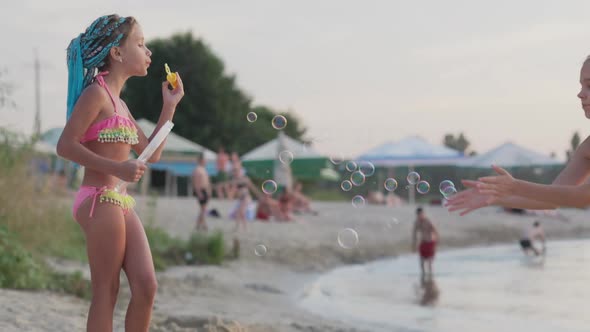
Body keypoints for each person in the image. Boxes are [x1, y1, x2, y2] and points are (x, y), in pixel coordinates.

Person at [56, 14, 184, 332]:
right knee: (106, 291)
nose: (148, 51)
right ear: (117, 53)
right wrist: (118, 168)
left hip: (121, 202)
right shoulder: (95, 95)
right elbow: (65, 146)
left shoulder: (121, 106)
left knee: (146, 286)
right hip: (98, 200)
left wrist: (169, 106)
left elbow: (151, 154)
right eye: (140, 44)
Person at [446, 55, 590, 215]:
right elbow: (553, 197)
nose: (580, 94)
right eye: (581, 86)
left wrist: (515, 186)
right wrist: (498, 196)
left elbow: (584, 196)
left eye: (589, 85)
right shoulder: (586, 147)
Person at [412, 207, 439, 283]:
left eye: (421, 214)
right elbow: (414, 234)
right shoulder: (417, 222)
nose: (420, 216)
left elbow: (435, 230)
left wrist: (436, 242)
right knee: (421, 261)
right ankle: (423, 277)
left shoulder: (428, 221)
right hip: (423, 242)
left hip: (430, 242)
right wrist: (413, 245)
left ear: (423, 213)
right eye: (418, 214)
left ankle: (430, 278)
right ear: (417, 215)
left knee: (430, 263)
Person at [192, 154, 212, 231]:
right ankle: (203, 225)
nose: (206, 161)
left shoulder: (203, 169)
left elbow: (207, 182)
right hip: (201, 190)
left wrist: (209, 190)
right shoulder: (198, 170)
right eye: (204, 160)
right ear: (201, 160)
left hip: (205, 190)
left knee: (203, 209)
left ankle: (199, 225)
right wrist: (198, 192)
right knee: (203, 209)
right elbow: (196, 182)